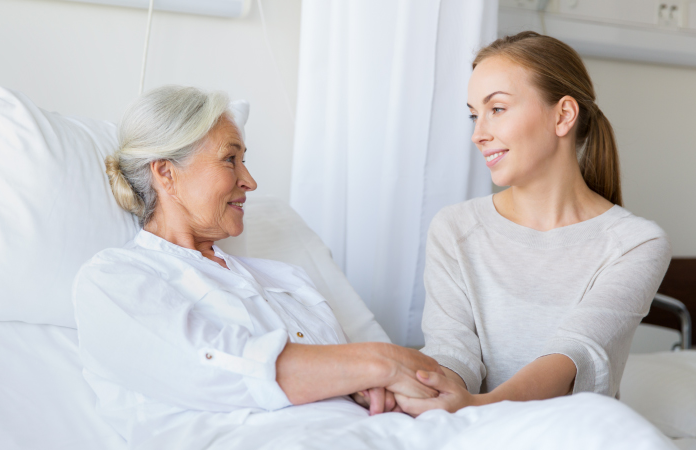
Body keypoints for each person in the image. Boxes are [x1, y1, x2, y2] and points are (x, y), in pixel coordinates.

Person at [72, 85, 439, 446]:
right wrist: (377, 362)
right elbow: (208, 368)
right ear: (166, 173)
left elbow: (354, 381)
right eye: (230, 159)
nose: (249, 181)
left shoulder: (286, 279)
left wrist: (365, 384)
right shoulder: (114, 279)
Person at [393, 31, 671, 416]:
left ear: (563, 115)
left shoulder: (636, 243)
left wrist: (479, 407)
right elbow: (452, 349)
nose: (478, 134)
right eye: (474, 114)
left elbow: (574, 352)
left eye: (498, 109)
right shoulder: (455, 228)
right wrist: (436, 392)